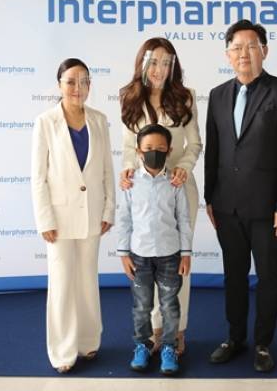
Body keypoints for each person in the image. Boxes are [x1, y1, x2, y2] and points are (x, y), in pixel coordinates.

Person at [204, 20, 277, 372]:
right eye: (236, 47)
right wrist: (210, 199)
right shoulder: (218, 95)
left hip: (267, 210)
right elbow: (214, 151)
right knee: (233, 277)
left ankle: (263, 344)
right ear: (227, 54)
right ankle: (235, 338)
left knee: (267, 279)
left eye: (251, 46)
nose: (243, 53)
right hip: (227, 207)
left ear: (265, 50)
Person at [31, 58, 115, 373]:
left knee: (87, 281)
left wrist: (109, 209)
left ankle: (88, 341)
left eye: (84, 81)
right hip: (59, 219)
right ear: (59, 85)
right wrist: (45, 219)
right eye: (70, 81)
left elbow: (106, 169)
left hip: (92, 215)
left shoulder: (99, 120)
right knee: (62, 284)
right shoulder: (45, 122)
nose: (77, 88)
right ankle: (63, 351)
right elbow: (38, 177)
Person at [119, 37, 202, 355]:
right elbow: (129, 148)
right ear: (143, 63)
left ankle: (176, 330)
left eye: (167, 63)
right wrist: (128, 169)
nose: (160, 69)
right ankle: (155, 331)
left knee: (176, 263)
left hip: (178, 189)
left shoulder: (186, 97)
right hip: (143, 192)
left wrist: (183, 167)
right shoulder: (128, 97)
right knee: (146, 261)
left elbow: (194, 144)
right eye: (154, 62)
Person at [115, 124, 193, 375]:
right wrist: (123, 254)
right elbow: (124, 219)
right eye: (148, 148)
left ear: (169, 151)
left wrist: (186, 253)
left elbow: (184, 219)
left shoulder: (175, 183)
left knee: (169, 305)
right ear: (139, 151)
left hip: (170, 255)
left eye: (160, 148)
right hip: (139, 256)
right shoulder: (130, 183)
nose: (154, 152)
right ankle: (143, 345)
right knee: (141, 306)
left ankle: (169, 347)